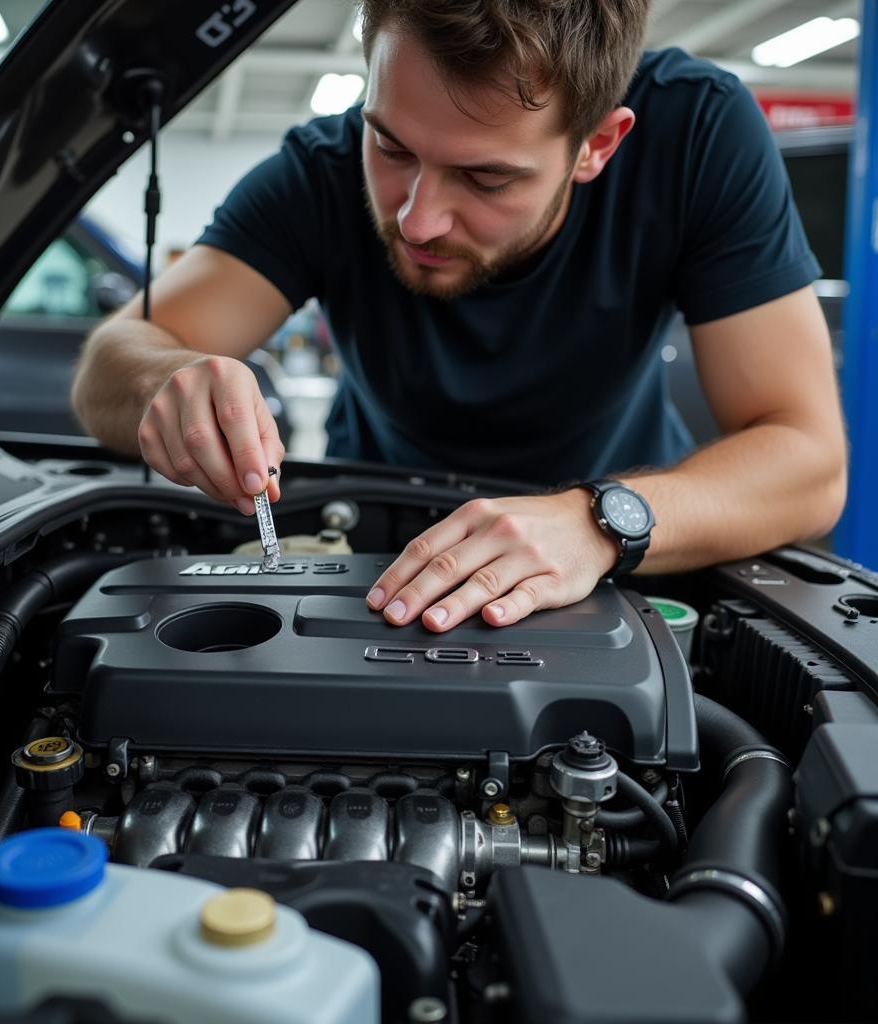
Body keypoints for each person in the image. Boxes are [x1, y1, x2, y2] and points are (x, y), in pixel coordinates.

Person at [71, 0, 846, 634]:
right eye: (392, 145)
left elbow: (808, 461)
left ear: (597, 146)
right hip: (374, 554)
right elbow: (112, 361)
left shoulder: (699, 136)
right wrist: (166, 380)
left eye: (484, 176)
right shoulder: (319, 170)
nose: (416, 220)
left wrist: (601, 521)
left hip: (624, 555)